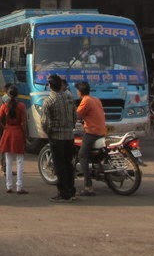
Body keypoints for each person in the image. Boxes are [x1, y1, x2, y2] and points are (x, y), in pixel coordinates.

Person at [40, 73, 77, 203]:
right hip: (69, 136)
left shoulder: (49, 101)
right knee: (69, 164)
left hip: (57, 137)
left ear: (50, 86)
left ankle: (63, 193)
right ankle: (71, 191)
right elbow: (74, 116)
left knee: (59, 166)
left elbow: (45, 123)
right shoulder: (69, 98)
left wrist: (49, 132)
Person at [75, 80, 106, 197]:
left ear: (80, 91)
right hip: (102, 131)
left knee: (82, 155)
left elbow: (77, 115)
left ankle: (88, 186)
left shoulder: (86, 100)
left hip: (92, 132)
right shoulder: (96, 99)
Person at [0, 84, 28, 194]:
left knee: (8, 161)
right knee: (20, 161)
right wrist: (25, 136)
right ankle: (19, 186)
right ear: (17, 94)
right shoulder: (21, 106)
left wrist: (5, 127)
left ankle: (8, 186)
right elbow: (24, 123)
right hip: (18, 132)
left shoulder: (4, 106)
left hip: (8, 133)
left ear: (8, 94)